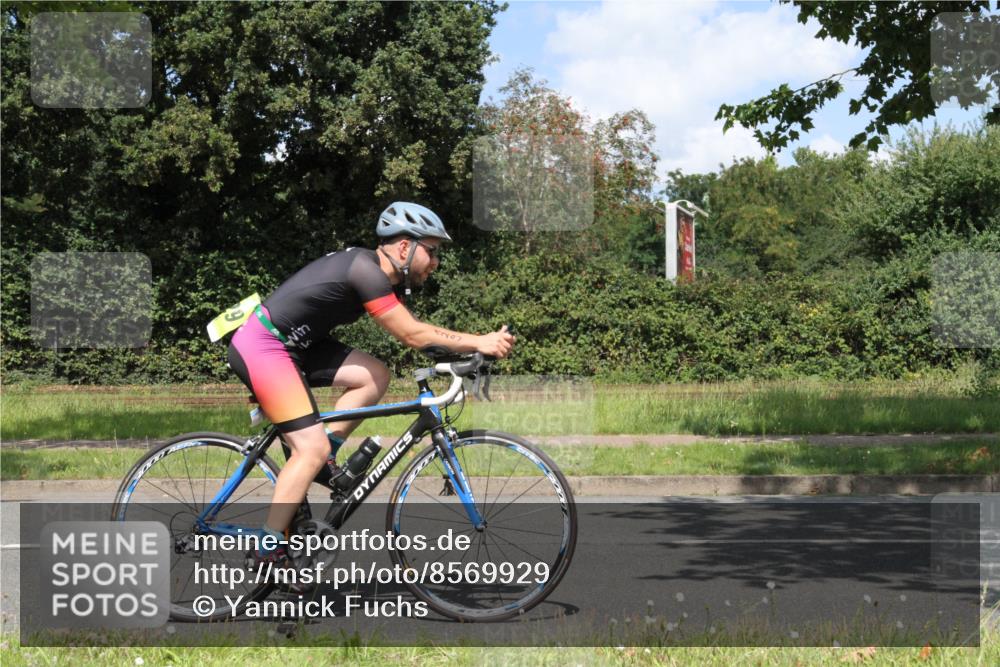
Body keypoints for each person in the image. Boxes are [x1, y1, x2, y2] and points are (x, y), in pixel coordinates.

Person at [227, 202, 515, 575]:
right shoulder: (365, 271)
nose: (435, 262)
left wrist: (464, 354)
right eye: (431, 251)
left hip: (296, 346)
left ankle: (323, 460)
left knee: (375, 375)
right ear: (404, 247)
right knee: (309, 448)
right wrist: (479, 341)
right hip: (264, 345)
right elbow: (413, 334)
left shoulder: (379, 278)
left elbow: (423, 338)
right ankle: (267, 549)